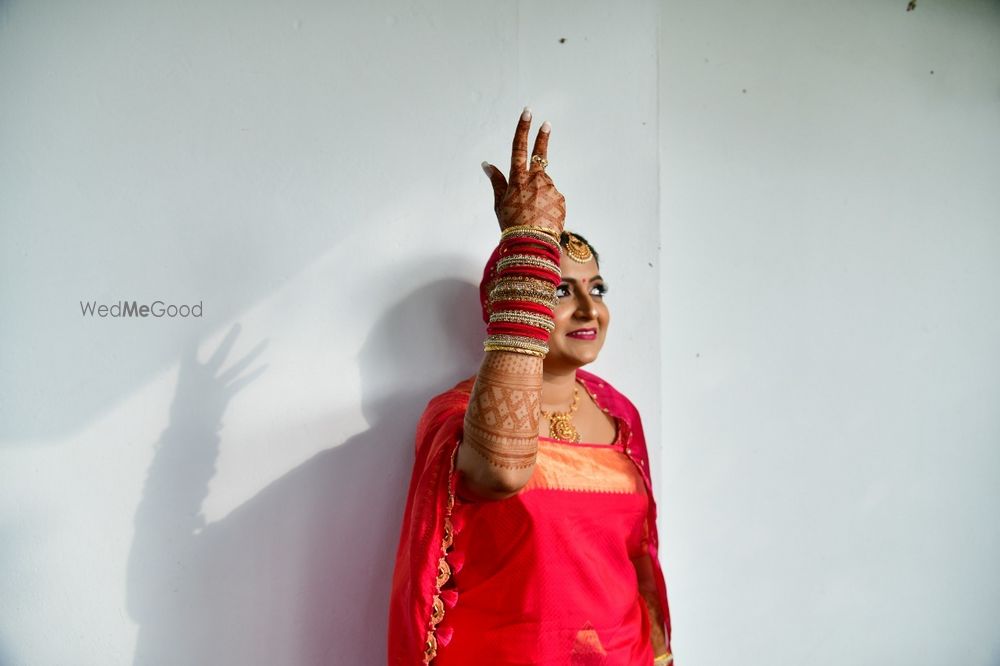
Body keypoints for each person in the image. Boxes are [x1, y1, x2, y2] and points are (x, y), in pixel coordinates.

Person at [388, 107, 674, 665]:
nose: (590, 307)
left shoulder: (619, 412)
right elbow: (501, 472)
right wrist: (527, 246)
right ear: (511, 298)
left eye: (598, 287)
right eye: (560, 290)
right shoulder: (455, 413)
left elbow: (639, 559)